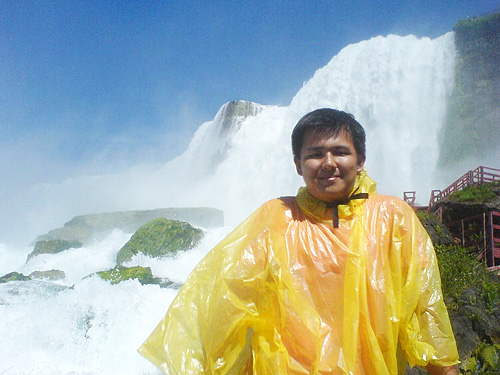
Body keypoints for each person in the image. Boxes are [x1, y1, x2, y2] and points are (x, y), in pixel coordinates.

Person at [139, 109, 459, 375]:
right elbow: (221, 302)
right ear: (298, 165)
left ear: (360, 160)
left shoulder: (393, 217)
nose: (328, 162)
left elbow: (426, 307)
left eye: (341, 151)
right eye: (315, 154)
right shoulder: (276, 217)